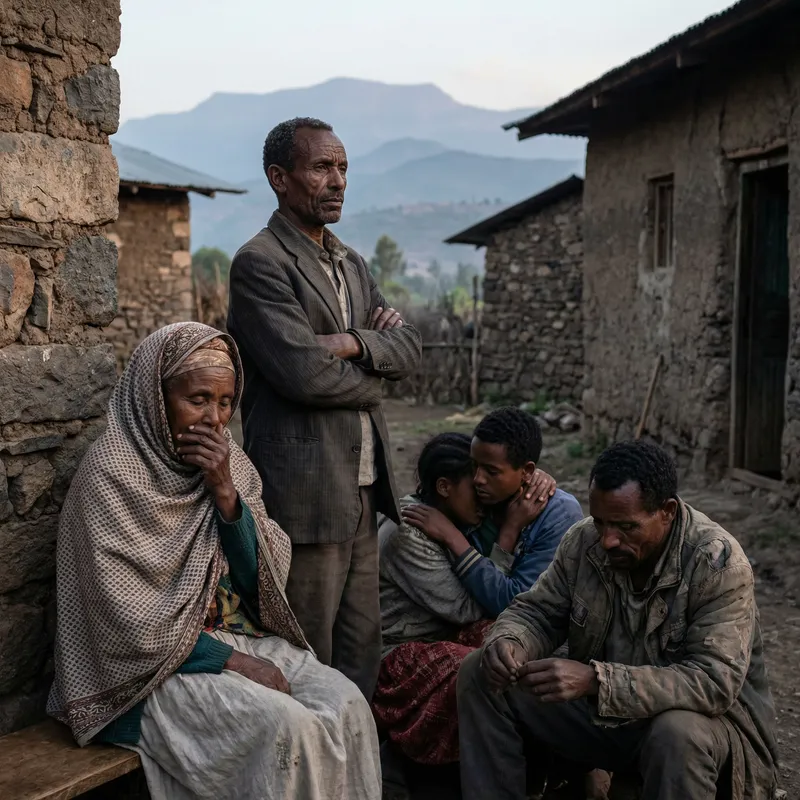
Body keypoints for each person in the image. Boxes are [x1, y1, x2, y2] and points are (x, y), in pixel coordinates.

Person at [48, 323, 380, 800]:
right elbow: (125, 628)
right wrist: (237, 663)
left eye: (225, 402)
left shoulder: (232, 464)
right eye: (197, 399)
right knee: (286, 728)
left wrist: (226, 496)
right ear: (155, 397)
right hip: (141, 675)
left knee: (347, 703)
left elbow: (258, 582)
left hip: (230, 635)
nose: (214, 419)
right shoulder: (111, 475)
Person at [458, 440, 779, 800]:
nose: (608, 539)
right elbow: (538, 612)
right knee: (479, 670)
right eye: (600, 522)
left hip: (707, 735)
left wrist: (597, 680)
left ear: (667, 511)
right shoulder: (584, 542)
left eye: (626, 526)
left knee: (677, 732)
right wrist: (511, 641)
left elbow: (713, 683)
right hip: (611, 720)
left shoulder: (717, 563)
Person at [227, 117, 422, 701]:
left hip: (362, 492)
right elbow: (303, 374)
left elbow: (409, 346)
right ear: (279, 178)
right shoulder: (260, 262)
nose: (337, 181)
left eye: (342, 168)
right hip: (305, 498)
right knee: (309, 660)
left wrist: (352, 342)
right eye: (321, 167)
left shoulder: (351, 263)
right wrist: (375, 376)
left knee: (362, 656)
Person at [373, 410, 582, 768]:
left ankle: (561, 756)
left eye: (490, 474)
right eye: (475, 477)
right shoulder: (411, 531)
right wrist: (502, 534)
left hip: (445, 634)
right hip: (401, 650)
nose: (483, 490)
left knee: (515, 647)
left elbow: (504, 606)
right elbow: (470, 608)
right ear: (443, 487)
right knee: (480, 665)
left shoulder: (468, 516)